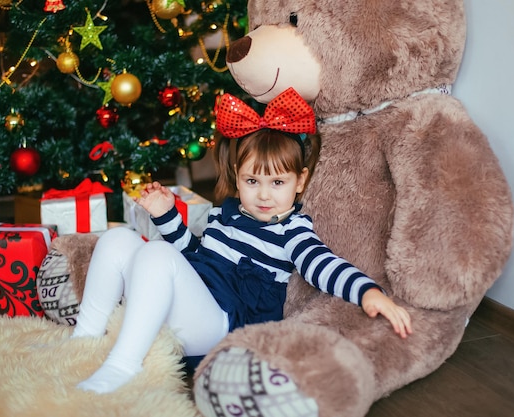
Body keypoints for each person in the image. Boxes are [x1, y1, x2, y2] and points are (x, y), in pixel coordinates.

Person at [72, 87, 412, 394]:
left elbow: (320, 263)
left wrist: (368, 291)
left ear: (299, 181)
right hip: (192, 303)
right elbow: (191, 259)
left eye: (277, 183)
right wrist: (166, 216)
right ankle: (81, 341)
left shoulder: (291, 228)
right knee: (118, 238)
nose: (264, 195)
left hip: (222, 326)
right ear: (237, 177)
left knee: (157, 255)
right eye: (253, 181)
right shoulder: (225, 213)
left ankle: (123, 365)